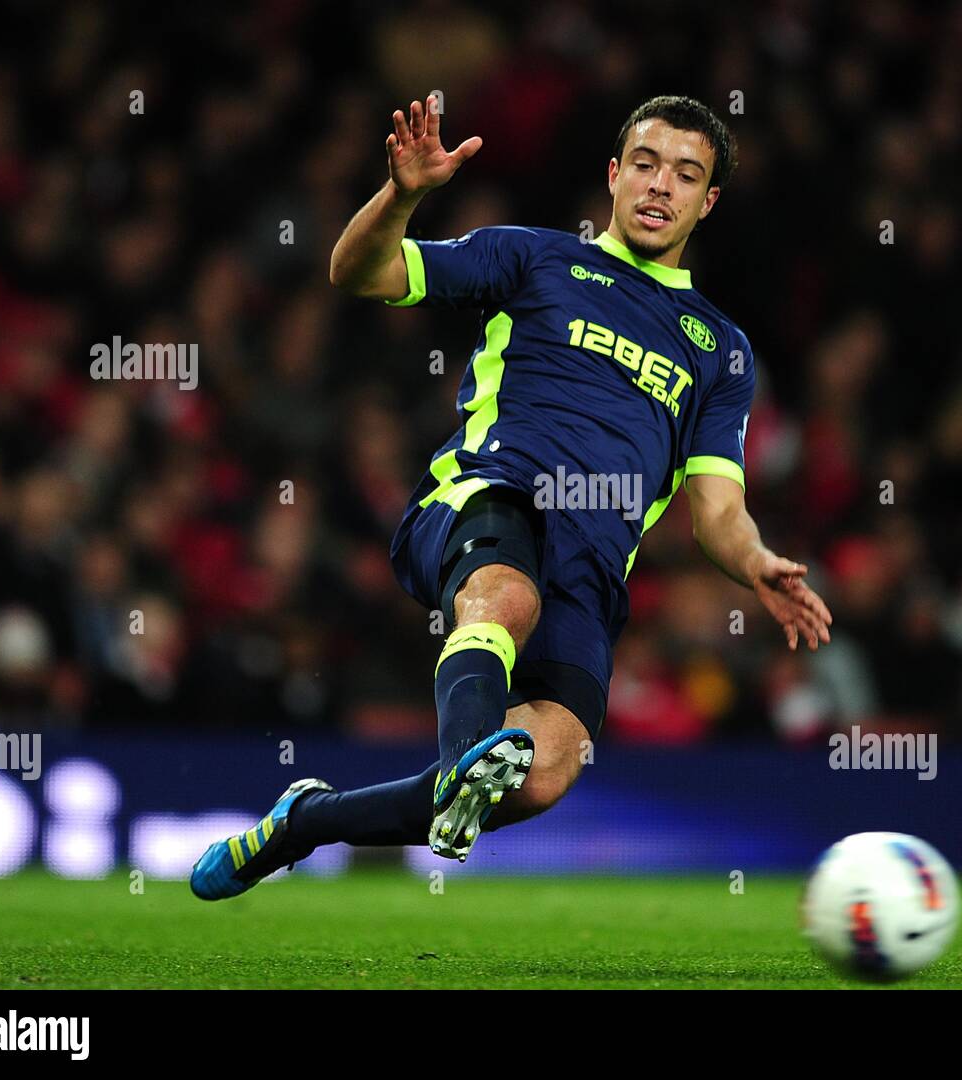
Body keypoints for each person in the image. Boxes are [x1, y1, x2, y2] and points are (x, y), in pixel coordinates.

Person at [191, 93, 831, 900]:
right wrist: (403, 194)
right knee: (504, 598)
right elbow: (357, 272)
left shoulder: (721, 352)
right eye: (644, 164)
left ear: (709, 202)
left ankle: (305, 824)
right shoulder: (534, 259)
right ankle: (467, 757)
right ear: (613, 174)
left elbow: (717, 512)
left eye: (685, 174)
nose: (659, 186)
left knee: (544, 772)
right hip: (487, 497)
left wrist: (757, 563)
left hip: (592, 571)